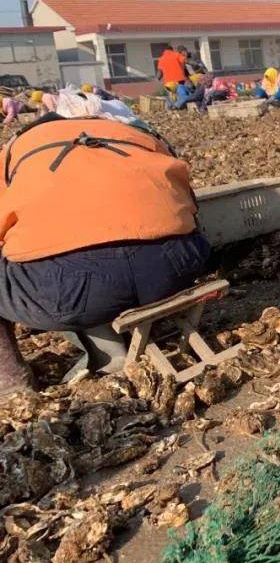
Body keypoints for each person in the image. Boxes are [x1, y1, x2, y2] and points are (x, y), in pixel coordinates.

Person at [0, 93, 210, 395]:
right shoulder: (134, 133)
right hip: (174, 271)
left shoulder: (19, 146)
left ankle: (11, 385)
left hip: (72, 291)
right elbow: (189, 201)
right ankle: (119, 330)